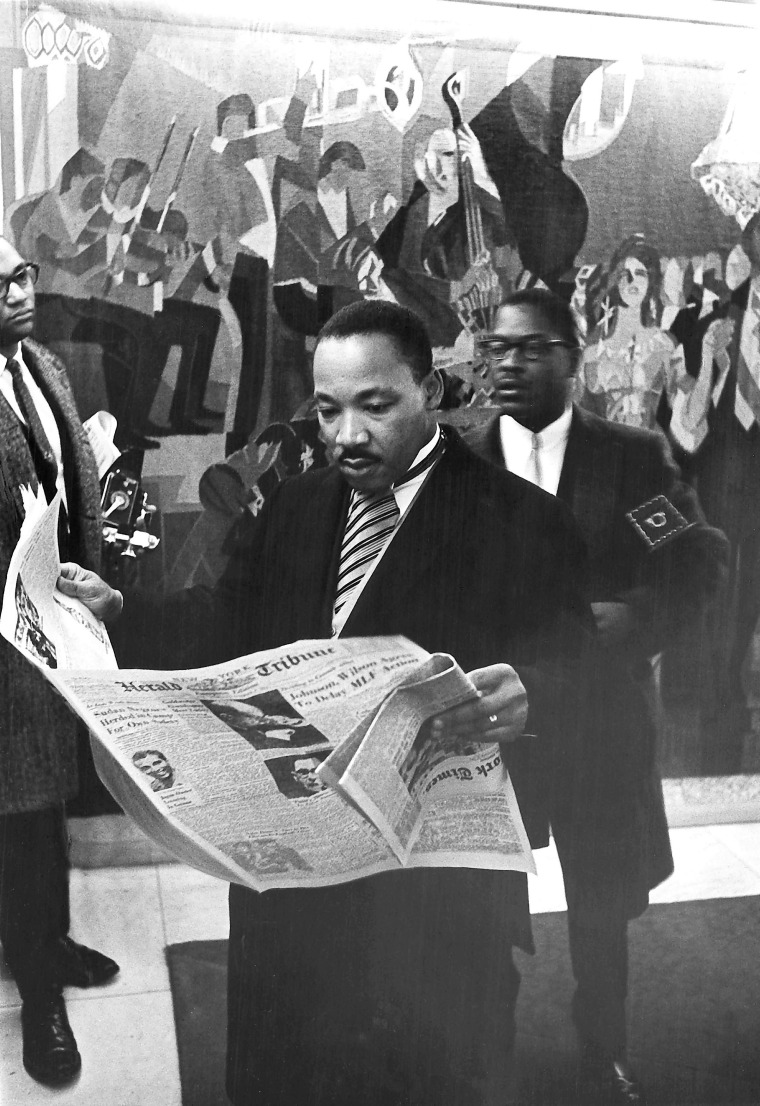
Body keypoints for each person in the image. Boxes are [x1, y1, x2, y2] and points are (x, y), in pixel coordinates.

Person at [60, 299, 593, 1106]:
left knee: (426, 1080)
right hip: (294, 894)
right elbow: (223, 621)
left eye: (376, 406)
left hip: (435, 908)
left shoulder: (523, 521)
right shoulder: (298, 507)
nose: (347, 435)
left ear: (433, 393)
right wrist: (123, 609)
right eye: (329, 409)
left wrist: (536, 692)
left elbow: (585, 672)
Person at [466, 288, 729, 1105]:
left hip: (596, 721)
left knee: (599, 902)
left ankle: (603, 1045)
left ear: (574, 360)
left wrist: (638, 616)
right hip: (493, 723)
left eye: (533, 347)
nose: (511, 363)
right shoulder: (460, 467)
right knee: (479, 900)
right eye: (499, 348)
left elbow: (697, 561)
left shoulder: (627, 462)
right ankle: (484, 1051)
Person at [0, 236, 119, 1087]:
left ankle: (47, 939)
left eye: (21, 274)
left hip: (59, 632)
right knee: (19, 815)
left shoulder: (40, 362)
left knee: (48, 808)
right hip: (5, 647)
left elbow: (65, 480)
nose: (17, 291)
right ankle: (40, 993)